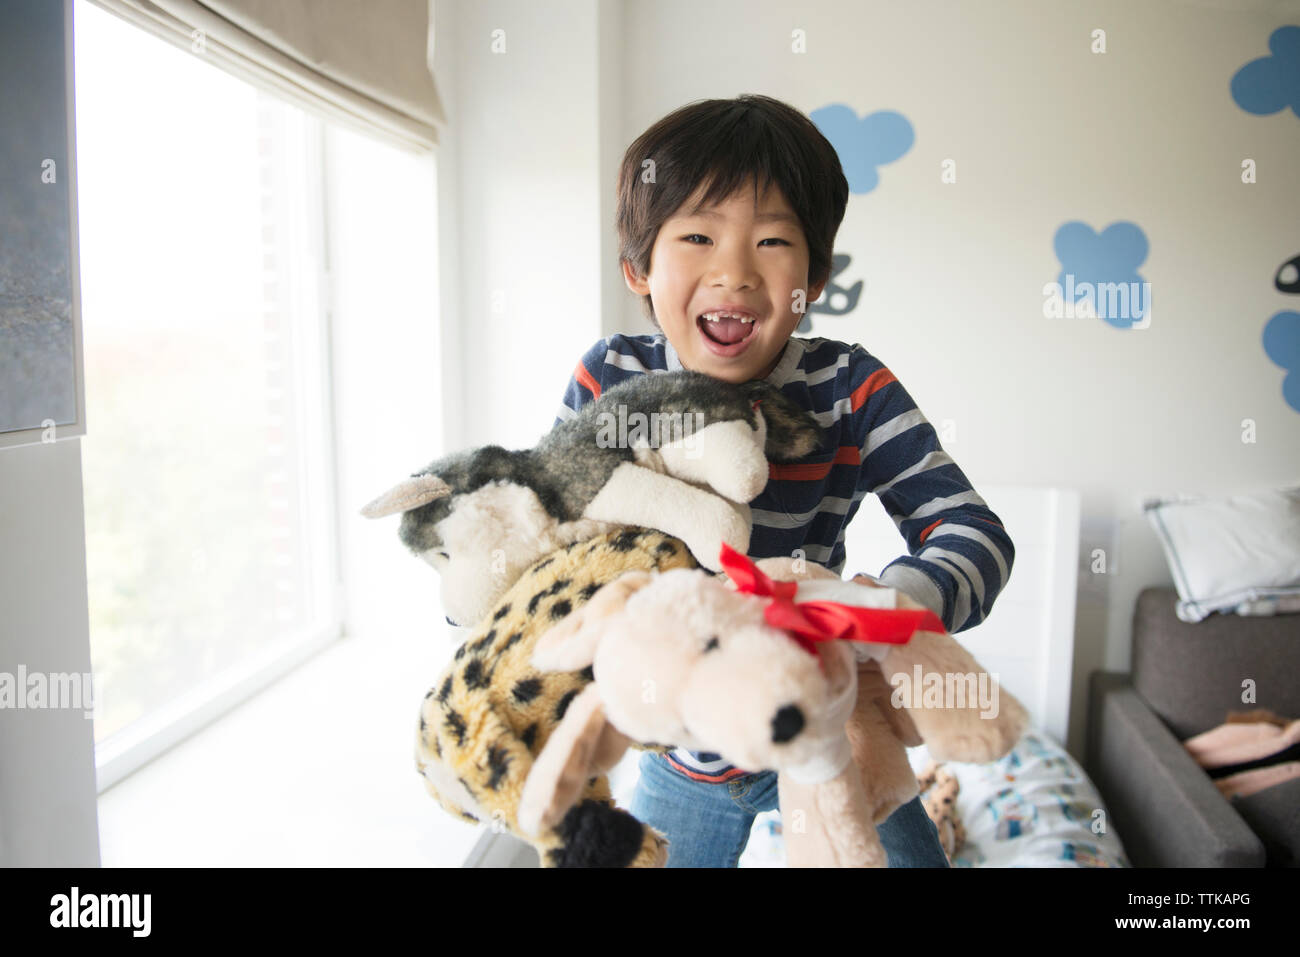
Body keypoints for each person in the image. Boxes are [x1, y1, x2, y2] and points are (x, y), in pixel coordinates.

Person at [554, 94, 1014, 867]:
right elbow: (554, 543)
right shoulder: (611, 376)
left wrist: (887, 606)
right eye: (698, 235)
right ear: (638, 266)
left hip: (832, 731)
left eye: (771, 241)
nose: (734, 272)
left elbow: (973, 532)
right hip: (680, 751)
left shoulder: (850, 387)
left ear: (819, 275)